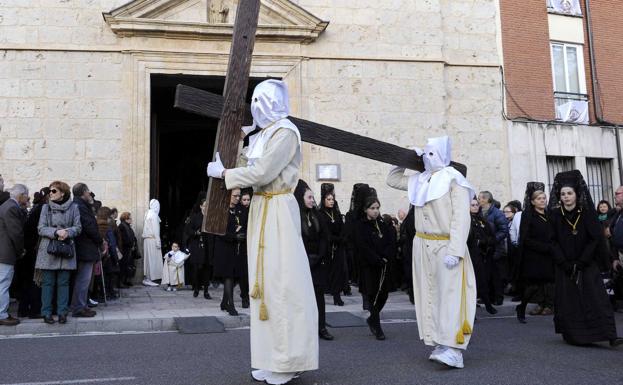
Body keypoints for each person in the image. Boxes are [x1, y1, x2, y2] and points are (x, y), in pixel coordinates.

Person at [207, 79, 318, 385]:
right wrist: (240, 141)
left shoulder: (285, 132)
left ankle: (289, 361)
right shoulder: (264, 135)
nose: (255, 109)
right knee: (264, 285)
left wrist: (226, 174)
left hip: (278, 208)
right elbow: (248, 163)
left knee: (283, 285)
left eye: (259, 103)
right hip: (260, 208)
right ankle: (270, 358)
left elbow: (263, 172)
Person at [387, 136, 476, 369]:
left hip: (446, 246)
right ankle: (439, 341)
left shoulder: (455, 180)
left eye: (431, 153)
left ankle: (455, 349)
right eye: (425, 154)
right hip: (422, 244)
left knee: (450, 296)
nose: (427, 158)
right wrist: (405, 158)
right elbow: (393, 179)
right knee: (430, 295)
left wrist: (455, 251)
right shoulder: (421, 179)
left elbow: (461, 218)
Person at [548, 171, 622, 347]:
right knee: (569, 300)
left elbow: (594, 239)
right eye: (563, 194)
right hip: (564, 265)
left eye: (569, 193)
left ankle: (610, 335)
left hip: (586, 263)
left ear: (576, 194)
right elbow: (552, 241)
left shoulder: (586, 213)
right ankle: (574, 334)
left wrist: (581, 262)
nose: (566, 197)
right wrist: (564, 263)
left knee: (596, 297)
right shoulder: (555, 215)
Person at [35, 181, 81, 325]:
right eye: (50, 191)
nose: (50, 193)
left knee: (64, 283)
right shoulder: (45, 208)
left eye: (54, 191)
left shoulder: (74, 207)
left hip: (66, 248)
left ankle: (62, 313)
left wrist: (67, 232)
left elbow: (78, 227)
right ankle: (47, 313)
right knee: (47, 283)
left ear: (63, 193)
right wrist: (56, 232)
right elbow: (41, 228)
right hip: (49, 249)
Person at [295, 180, 333, 341]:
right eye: (309, 197)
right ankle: (303, 329)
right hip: (301, 263)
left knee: (319, 297)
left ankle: (321, 327)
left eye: (312, 197)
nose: (312, 200)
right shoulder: (295, 215)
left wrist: (319, 256)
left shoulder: (316, 214)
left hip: (317, 262)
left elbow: (325, 237)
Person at [354, 196, 394, 341]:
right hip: (369, 267)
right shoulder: (361, 225)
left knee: (383, 295)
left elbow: (390, 240)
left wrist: (386, 256)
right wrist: (377, 259)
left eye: (377, 208)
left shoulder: (382, 224)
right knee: (372, 296)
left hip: (383, 265)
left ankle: (372, 319)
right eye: (372, 208)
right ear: (366, 210)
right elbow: (363, 246)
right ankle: (377, 327)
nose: (376, 211)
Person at [514, 184, 554, 323]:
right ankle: (522, 307)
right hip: (534, 256)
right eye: (539, 199)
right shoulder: (528, 216)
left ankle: (547, 305)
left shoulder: (549, 215)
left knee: (549, 282)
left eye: (544, 198)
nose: (542, 201)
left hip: (549, 255)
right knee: (534, 286)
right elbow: (526, 239)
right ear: (532, 201)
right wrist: (543, 247)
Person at [70, 183, 102, 318]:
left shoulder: (79, 205)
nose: (90, 194)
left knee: (83, 279)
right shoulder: (81, 207)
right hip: (85, 247)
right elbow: (89, 227)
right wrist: (100, 241)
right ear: (83, 192)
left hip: (84, 247)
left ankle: (81, 305)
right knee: (83, 279)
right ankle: (79, 307)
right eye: (88, 191)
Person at [0, 184, 29, 326]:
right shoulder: (11, 207)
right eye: (26, 195)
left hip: (3, 251)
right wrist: (20, 250)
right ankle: (2, 314)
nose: (27, 198)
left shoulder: (6, 205)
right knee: (3, 284)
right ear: (21, 195)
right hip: (5, 252)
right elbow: (16, 233)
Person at [213, 189, 244, 316]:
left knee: (232, 276)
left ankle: (224, 302)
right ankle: (231, 305)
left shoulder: (238, 210)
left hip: (233, 248)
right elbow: (220, 231)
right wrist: (235, 237)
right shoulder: (222, 211)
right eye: (235, 196)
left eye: (239, 196)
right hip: (223, 248)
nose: (237, 198)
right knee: (228, 276)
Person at [319, 183, 348, 307]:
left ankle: (337, 296)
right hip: (327, 247)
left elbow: (342, 227)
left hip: (338, 247)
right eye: (328, 199)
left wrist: (342, 238)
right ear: (323, 200)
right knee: (328, 272)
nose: (331, 202)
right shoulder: (320, 213)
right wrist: (334, 239)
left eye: (332, 199)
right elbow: (324, 232)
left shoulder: (336, 213)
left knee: (339, 271)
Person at [478, 191, 509, 306]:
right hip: (485, 248)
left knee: (496, 274)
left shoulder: (497, 213)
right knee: (487, 273)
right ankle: (489, 296)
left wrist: (492, 240)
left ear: (486, 199)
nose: (478, 200)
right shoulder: (480, 212)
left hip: (496, 247)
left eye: (480, 198)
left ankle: (498, 297)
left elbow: (503, 230)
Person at [468, 198, 497, 315]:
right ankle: (470, 312)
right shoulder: (466, 220)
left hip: (483, 255)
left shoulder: (482, 220)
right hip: (471, 255)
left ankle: (488, 304)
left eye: (476, 205)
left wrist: (485, 242)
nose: (475, 207)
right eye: (472, 205)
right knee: (471, 283)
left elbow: (491, 236)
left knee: (483, 281)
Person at [183, 197, 212, 300]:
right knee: (196, 269)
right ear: (200, 206)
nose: (206, 207)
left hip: (207, 246)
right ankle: (196, 288)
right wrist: (196, 233)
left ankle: (206, 291)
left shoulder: (210, 217)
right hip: (197, 245)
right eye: (204, 205)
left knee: (207, 269)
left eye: (207, 206)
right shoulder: (195, 217)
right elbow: (188, 230)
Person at [142, 199, 162, 286]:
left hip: (148, 240)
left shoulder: (147, 214)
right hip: (152, 240)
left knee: (148, 259)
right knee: (152, 260)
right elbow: (156, 230)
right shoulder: (153, 215)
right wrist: (158, 241)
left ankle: (148, 278)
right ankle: (149, 278)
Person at [118, 212, 139, 287]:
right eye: (130, 218)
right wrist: (130, 244)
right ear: (126, 219)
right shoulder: (122, 226)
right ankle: (121, 282)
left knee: (128, 265)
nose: (131, 219)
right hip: (125, 249)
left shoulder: (127, 226)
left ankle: (126, 281)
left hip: (129, 249)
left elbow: (132, 236)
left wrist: (133, 244)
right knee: (123, 266)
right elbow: (123, 238)